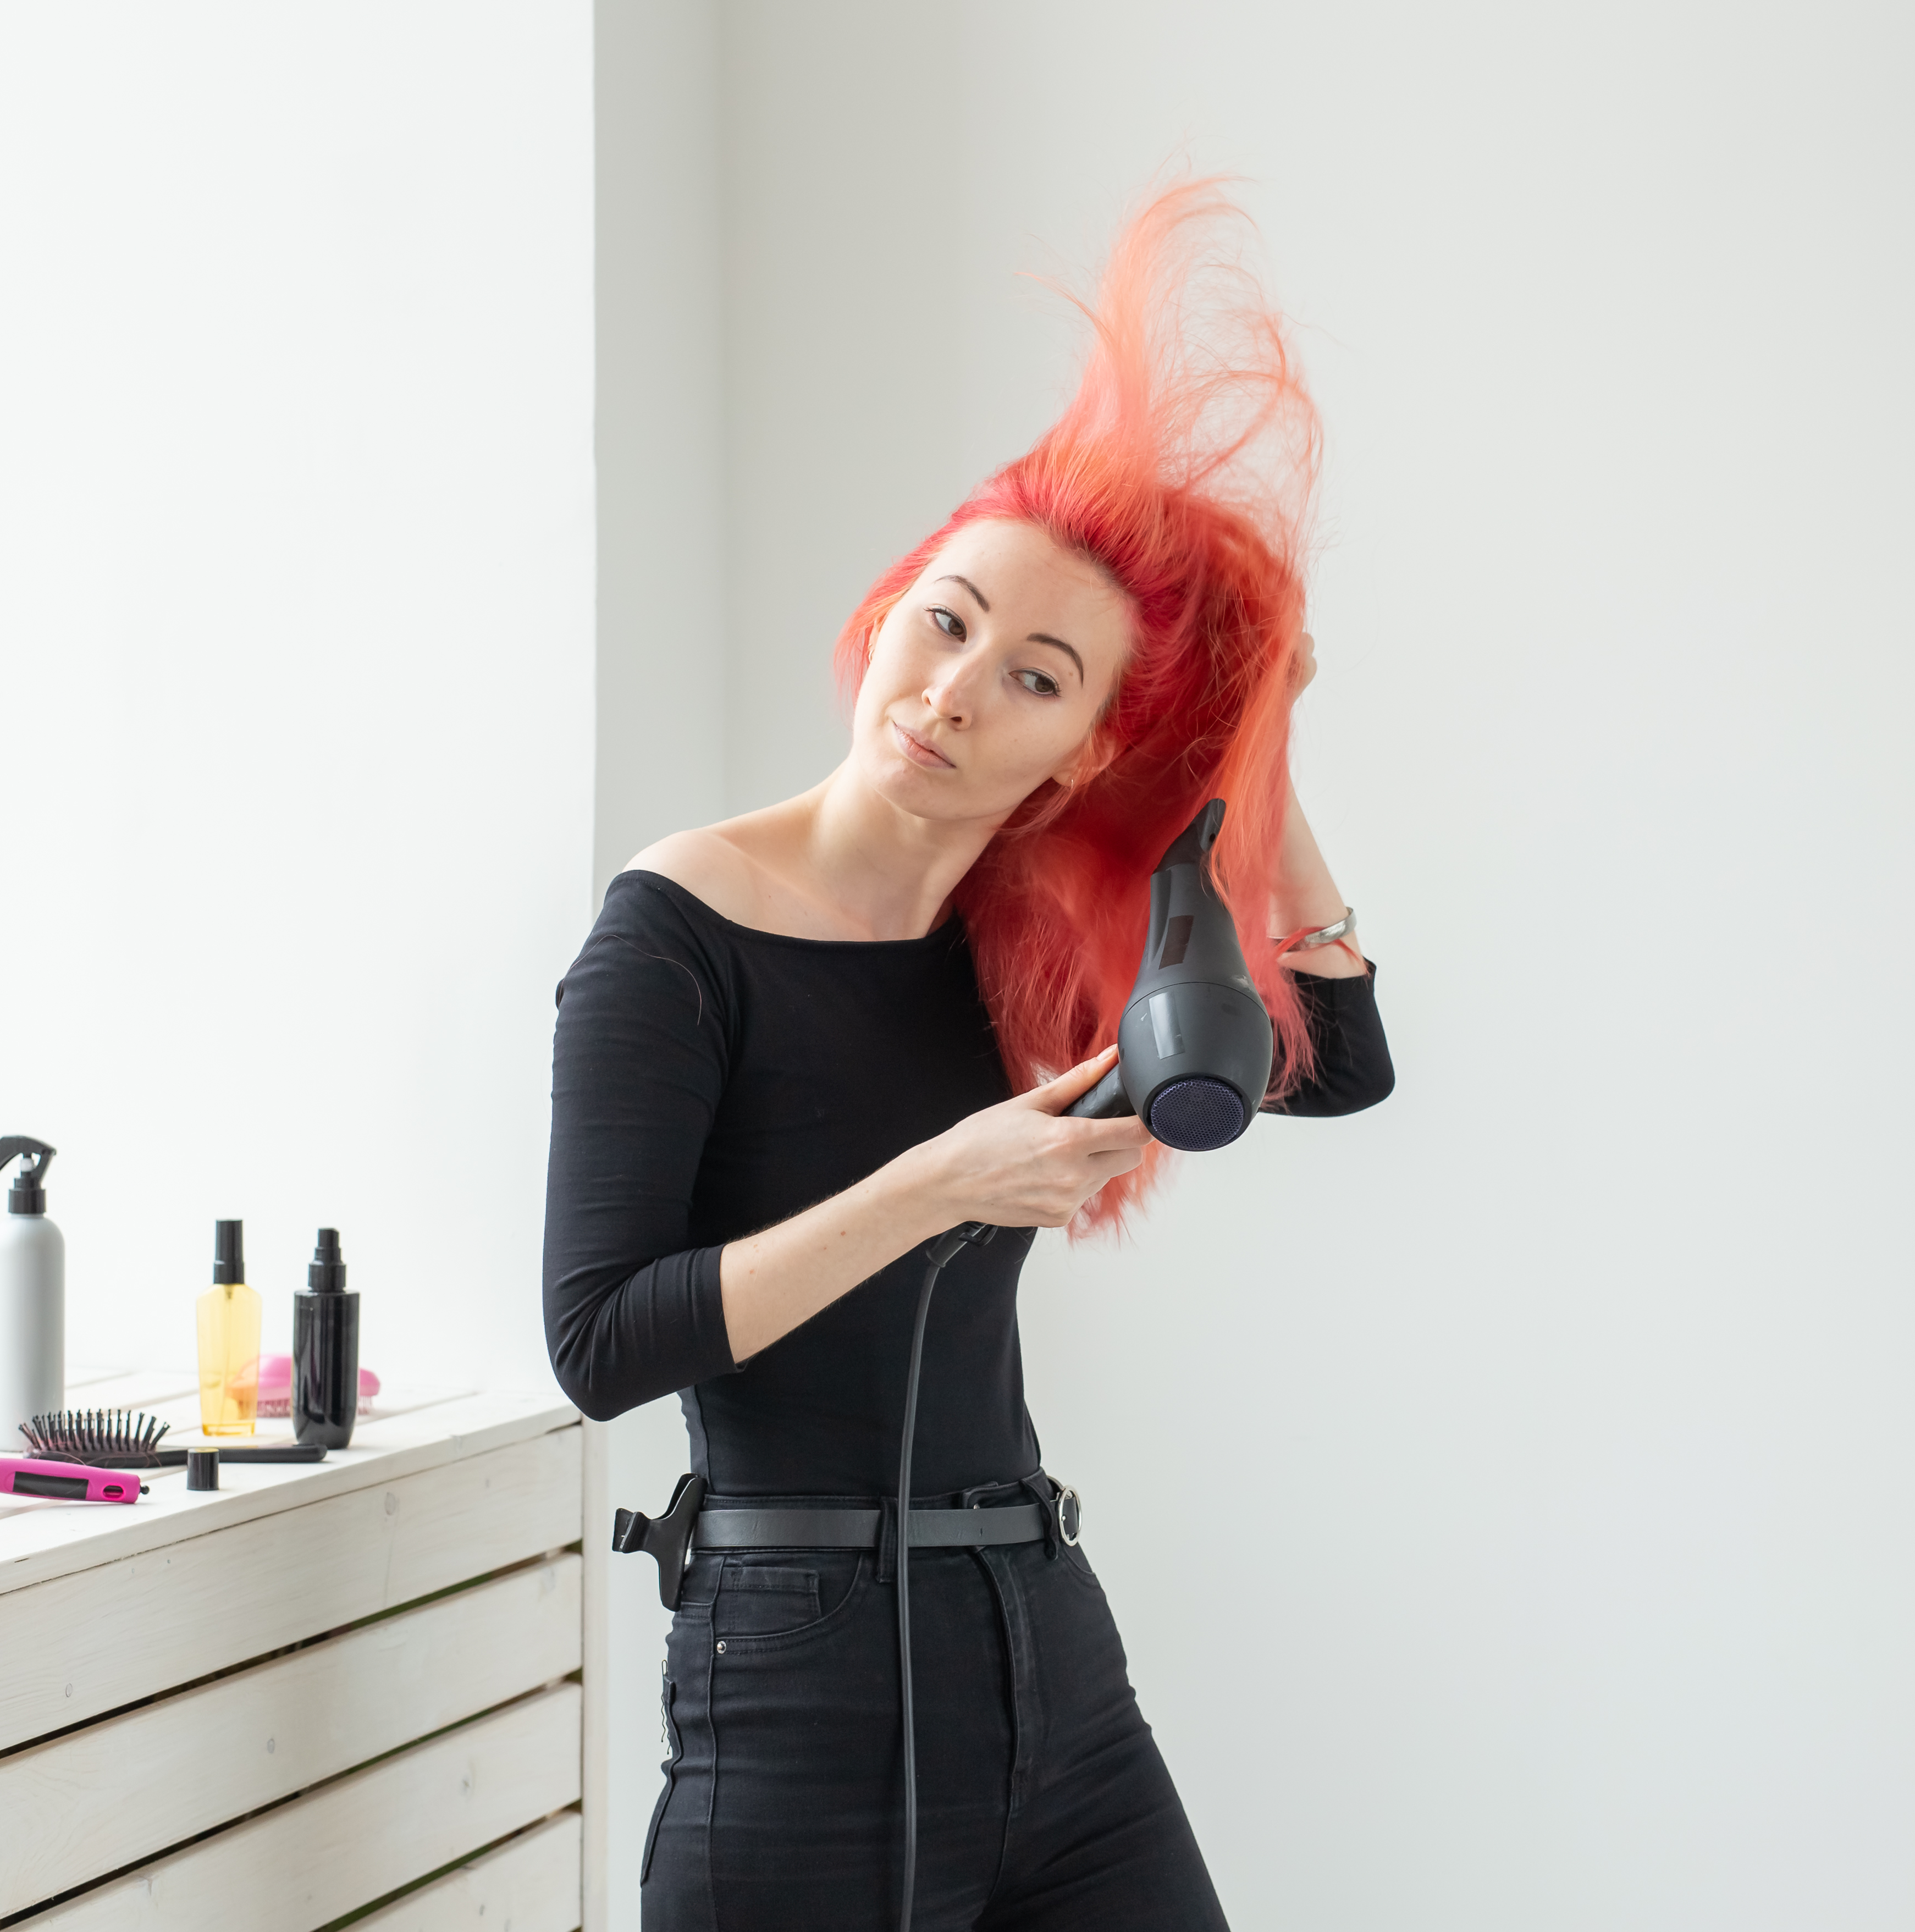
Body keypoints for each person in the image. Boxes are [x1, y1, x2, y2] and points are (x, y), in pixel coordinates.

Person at [543, 181, 1394, 1931]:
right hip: (791, 1688)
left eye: (1033, 676)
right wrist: (942, 1180)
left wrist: (1266, 740)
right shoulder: (674, 934)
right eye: (946, 620)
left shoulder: (1028, 954)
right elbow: (600, 1338)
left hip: (1051, 1659)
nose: (951, 688)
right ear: (887, 613)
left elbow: (1340, 1064)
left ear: (1079, 755)